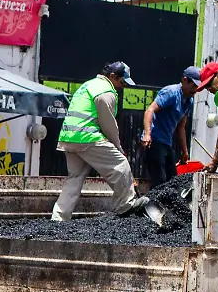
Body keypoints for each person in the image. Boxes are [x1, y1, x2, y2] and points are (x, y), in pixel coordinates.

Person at [52, 61, 150, 221]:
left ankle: (58, 218)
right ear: (112, 76)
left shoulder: (89, 85)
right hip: (87, 136)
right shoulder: (106, 92)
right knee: (121, 165)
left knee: (75, 178)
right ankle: (125, 204)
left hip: (68, 137)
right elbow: (108, 124)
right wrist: (118, 146)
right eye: (122, 82)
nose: (123, 86)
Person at [141, 66, 202, 187]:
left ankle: (164, 205)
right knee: (160, 181)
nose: (195, 90)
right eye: (194, 86)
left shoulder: (188, 101)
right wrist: (147, 134)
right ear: (185, 80)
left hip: (167, 143)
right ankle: (153, 205)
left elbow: (181, 127)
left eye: (197, 87)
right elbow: (150, 110)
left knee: (173, 181)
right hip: (155, 141)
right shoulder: (171, 93)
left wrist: (185, 151)